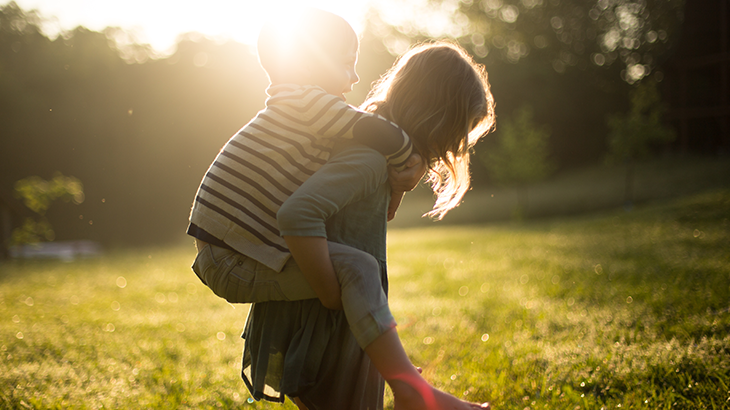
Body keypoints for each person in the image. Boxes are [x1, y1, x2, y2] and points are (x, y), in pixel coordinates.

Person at [187, 8, 488, 409]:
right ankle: (412, 391)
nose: (356, 79)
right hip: (230, 257)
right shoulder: (316, 110)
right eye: (348, 64)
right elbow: (298, 214)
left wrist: (395, 185)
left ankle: (410, 388)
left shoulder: (308, 114)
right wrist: (331, 290)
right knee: (357, 269)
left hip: (232, 250)